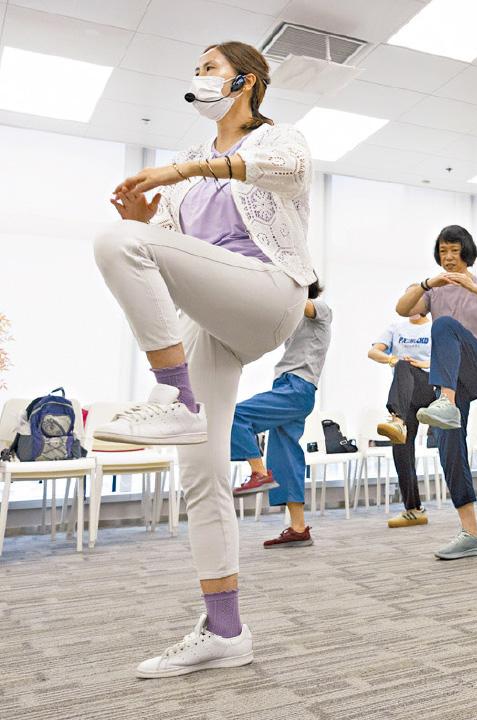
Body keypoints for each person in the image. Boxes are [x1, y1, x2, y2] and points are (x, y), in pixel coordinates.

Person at [92, 41, 315, 677]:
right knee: (200, 469)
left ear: (248, 80)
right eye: (196, 67)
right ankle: (225, 631)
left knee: (114, 243)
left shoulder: (282, 140)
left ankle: (174, 395)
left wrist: (181, 177)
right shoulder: (190, 159)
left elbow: (279, 175)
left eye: (211, 67)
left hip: (270, 292)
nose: (199, 76)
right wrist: (148, 220)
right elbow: (177, 261)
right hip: (212, 312)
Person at [393, 225, 477, 560]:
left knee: (444, 325)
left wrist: (476, 290)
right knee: (449, 445)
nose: (448, 257)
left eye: (454, 250)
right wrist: (427, 284)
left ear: (466, 252)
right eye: (443, 251)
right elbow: (403, 309)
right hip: (451, 378)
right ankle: (471, 533)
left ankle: (445, 403)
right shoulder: (434, 291)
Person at [229, 287, 332, 549]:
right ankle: (298, 528)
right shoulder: (291, 321)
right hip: (286, 387)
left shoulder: (320, 309)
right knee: (286, 457)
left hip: (298, 388)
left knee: (237, 415)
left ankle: (258, 472)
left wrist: (279, 288)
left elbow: (302, 305)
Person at [370, 313, 435, 528]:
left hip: (430, 388)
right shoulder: (396, 327)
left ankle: (396, 419)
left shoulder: (434, 328)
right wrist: (391, 359)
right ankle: (413, 509)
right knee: (401, 448)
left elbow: (448, 359)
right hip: (407, 395)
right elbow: (373, 351)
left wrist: (420, 362)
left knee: (405, 365)